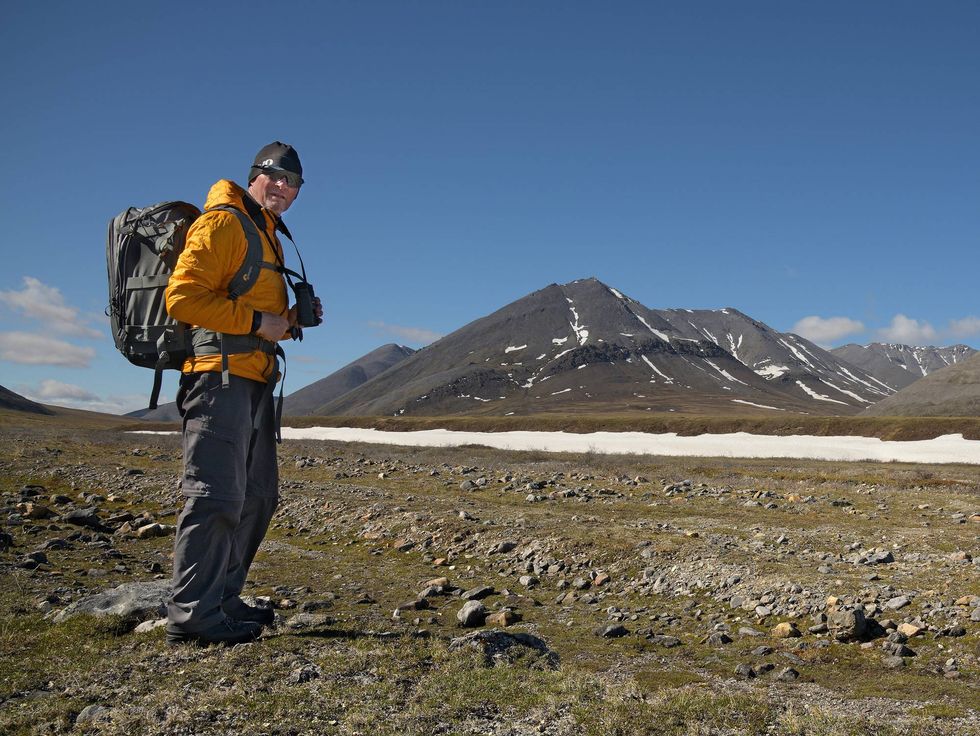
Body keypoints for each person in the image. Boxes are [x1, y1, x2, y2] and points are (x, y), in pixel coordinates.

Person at [164, 142, 321, 645]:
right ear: (254, 176)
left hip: (254, 379)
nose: (283, 188)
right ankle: (193, 614)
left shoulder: (267, 232)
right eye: (274, 176)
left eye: (292, 182)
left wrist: (291, 321)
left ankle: (222, 598)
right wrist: (258, 321)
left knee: (257, 496)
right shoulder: (225, 222)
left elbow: (255, 314)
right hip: (218, 379)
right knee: (215, 497)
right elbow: (182, 297)